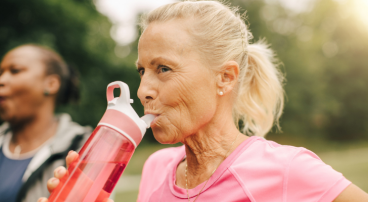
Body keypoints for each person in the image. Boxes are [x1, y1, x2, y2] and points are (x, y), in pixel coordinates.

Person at [39, 1, 368, 202]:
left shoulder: (286, 171)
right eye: (142, 71)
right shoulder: (156, 168)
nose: (142, 91)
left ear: (225, 77)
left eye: (163, 69)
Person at [0, 44, 92, 202]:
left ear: (51, 84)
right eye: (1, 73)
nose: (2, 80)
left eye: (15, 70)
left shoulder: (83, 147)